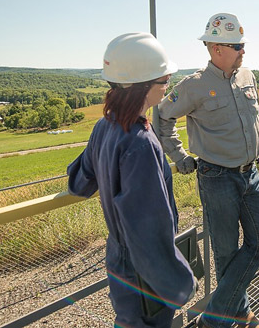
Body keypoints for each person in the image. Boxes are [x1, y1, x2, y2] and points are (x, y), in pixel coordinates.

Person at [67, 32, 196, 327]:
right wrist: (180, 283)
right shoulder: (140, 142)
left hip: (118, 259)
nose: (167, 87)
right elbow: (148, 229)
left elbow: (79, 183)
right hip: (143, 271)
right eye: (163, 81)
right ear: (142, 87)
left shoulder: (105, 126)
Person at [157, 13, 259, 328]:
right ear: (216, 48)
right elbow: (162, 118)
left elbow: (257, 114)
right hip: (216, 177)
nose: (243, 51)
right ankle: (238, 314)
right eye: (237, 45)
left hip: (251, 174)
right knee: (225, 253)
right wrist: (179, 156)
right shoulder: (194, 86)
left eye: (243, 44)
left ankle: (213, 320)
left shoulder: (247, 76)